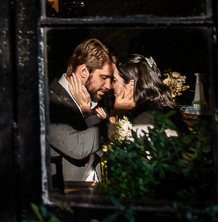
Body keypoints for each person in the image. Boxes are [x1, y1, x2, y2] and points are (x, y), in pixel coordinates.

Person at [48, 38, 114, 189]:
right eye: (104, 78)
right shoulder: (50, 100)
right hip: (66, 200)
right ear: (84, 71)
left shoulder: (89, 103)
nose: (109, 86)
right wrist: (109, 125)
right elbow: (78, 148)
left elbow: (99, 150)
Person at [108, 53, 185, 140]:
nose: (111, 86)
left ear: (131, 85)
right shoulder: (154, 112)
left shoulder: (144, 121)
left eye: (115, 80)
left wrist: (115, 118)